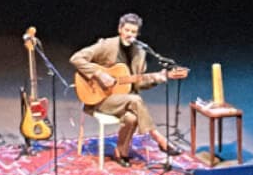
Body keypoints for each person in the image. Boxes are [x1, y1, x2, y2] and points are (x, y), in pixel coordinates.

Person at [70, 13, 184, 166]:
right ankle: (160, 139)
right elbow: (76, 58)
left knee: (132, 118)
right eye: (127, 30)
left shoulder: (140, 52)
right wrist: (99, 74)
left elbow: (137, 83)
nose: (129, 34)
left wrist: (159, 77)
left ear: (137, 34)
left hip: (122, 99)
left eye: (133, 32)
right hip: (98, 98)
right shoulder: (107, 45)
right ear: (120, 29)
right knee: (135, 100)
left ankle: (121, 152)